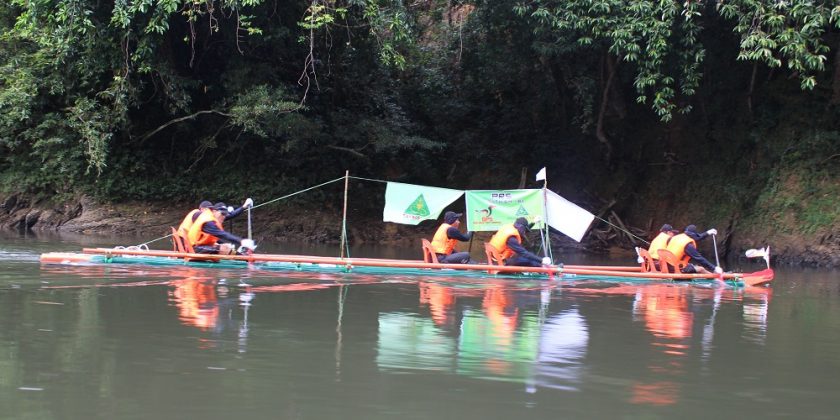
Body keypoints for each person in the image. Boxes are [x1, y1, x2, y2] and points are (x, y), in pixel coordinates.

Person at [187, 203, 255, 255]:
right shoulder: (208, 221)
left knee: (224, 247)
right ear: (214, 211)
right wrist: (241, 241)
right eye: (222, 214)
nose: (224, 217)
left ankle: (243, 257)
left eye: (225, 214)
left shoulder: (212, 219)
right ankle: (244, 259)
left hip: (198, 246)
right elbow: (222, 234)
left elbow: (218, 237)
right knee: (224, 249)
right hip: (193, 249)